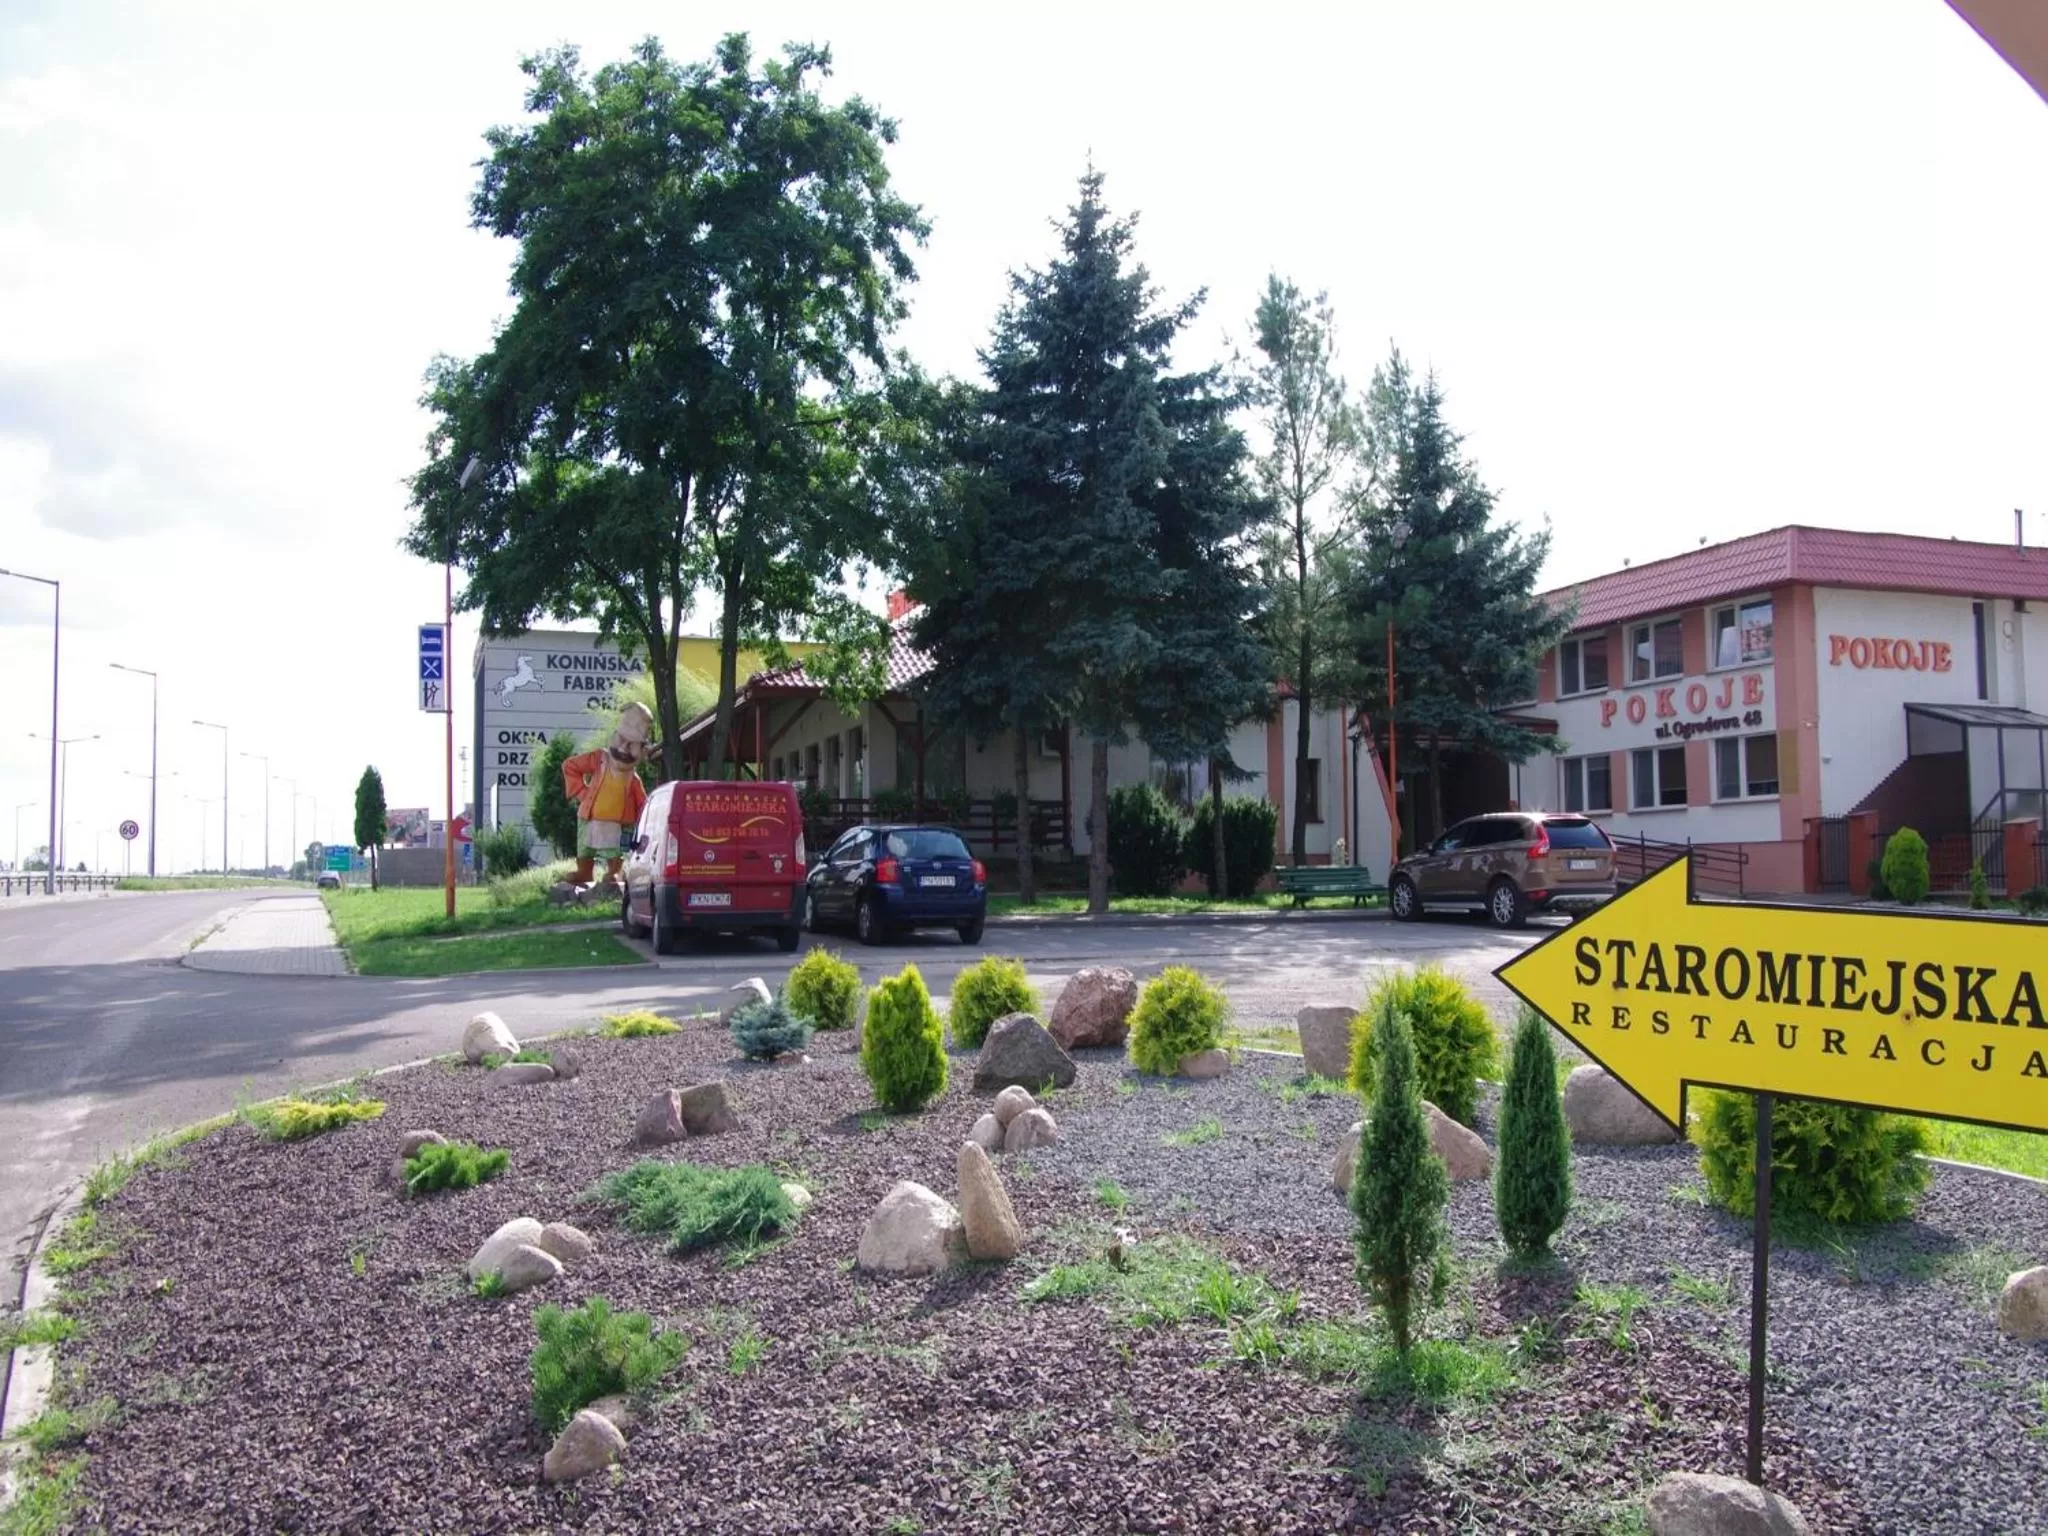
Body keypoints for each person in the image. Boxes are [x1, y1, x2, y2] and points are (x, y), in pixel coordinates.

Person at [561, 702, 653, 884]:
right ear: (613, 736)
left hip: (619, 824)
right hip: (589, 818)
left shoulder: (633, 781)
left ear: (642, 752)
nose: (623, 749)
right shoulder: (598, 759)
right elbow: (570, 766)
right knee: (585, 848)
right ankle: (584, 872)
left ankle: (615, 872)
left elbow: (644, 806)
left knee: (616, 851)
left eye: (632, 744)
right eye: (621, 739)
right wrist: (582, 793)